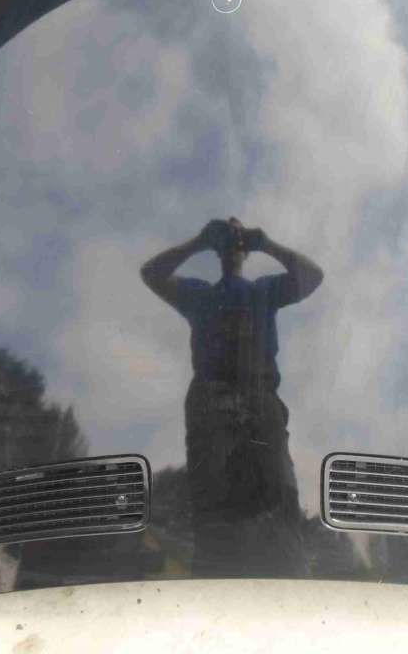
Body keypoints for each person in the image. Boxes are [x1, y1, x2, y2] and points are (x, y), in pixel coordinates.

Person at [140, 218, 323, 575]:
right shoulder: (200, 294)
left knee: (279, 498)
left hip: (260, 399)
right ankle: (215, 579)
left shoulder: (264, 291)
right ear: (218, 249)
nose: (233, 240)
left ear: (246, 250)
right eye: (226, 235)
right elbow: (152, 274)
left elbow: (312, 277)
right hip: (210, 401)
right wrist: (198, 241)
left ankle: (288, 580)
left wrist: (266, 243)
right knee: (212, 505)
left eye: (238, 235)